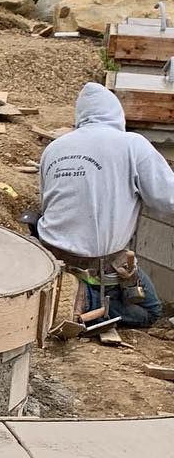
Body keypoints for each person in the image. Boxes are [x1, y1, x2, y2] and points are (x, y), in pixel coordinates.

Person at [36, 81, 174, 328]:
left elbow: (46, 201)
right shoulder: (133, 144)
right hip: (100, 262)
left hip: (51, 253)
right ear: (117, 114)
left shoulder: (54, 148)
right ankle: (84, 303)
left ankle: (65, 291)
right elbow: (167, 199)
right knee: (151, 310)